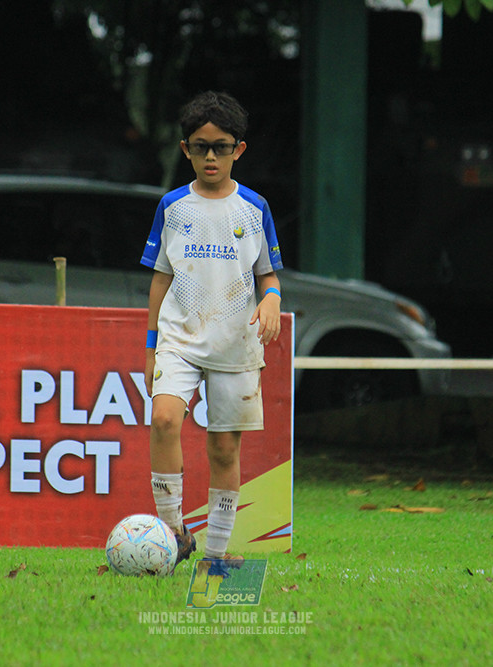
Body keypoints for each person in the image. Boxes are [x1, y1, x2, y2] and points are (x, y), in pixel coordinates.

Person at [140, 91, 283, 573]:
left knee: (224, 448)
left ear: (238, 150)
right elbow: (160, 277)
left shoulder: (254, 208)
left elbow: (269, 274)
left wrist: (272, 301)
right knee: (163, 420)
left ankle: (217, 555)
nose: (210, 157)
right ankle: (173, 534)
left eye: (221, 147)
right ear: (185, 149)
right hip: (179, 339)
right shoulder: (173, 206)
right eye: (200, 147)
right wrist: (150, 346)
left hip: (235, 343)